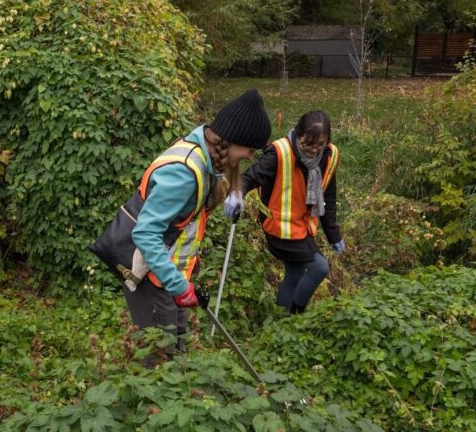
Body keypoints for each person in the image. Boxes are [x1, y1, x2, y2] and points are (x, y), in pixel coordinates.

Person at [126, 89, 271, 361]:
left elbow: (183, 216)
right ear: (228, 141)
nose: (251, 156)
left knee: (177, 352)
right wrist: (178, 286)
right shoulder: (183, 172)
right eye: (249, 149)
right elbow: (145, 234)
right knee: (158, 362)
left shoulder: (205, 154)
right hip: (154, 278)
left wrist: (233, 192)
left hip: (171, 276)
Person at [240, 110, 345, 314]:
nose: (313, 150)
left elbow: (328, 198)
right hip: (279, 228)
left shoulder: (329, 156)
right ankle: (296, 314)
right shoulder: (279, 153)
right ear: (298, 134)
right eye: (308, 144)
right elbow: (249, 178)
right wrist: (237, 194)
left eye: (319, 145)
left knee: (295, 273)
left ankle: (282, 320)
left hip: (302, 227)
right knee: (319, 268)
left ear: (327, 141)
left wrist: (334, 235)